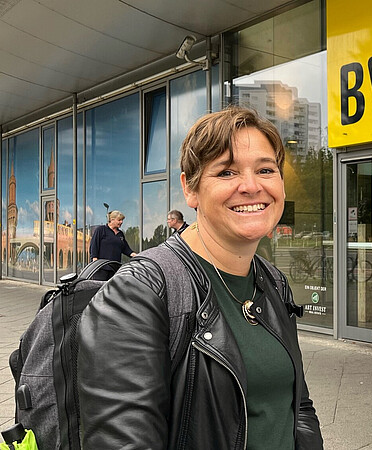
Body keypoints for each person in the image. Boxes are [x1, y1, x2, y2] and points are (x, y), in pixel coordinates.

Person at [77, 106, 323, 448]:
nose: (252, 186)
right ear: (190, 190)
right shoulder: (139, 293)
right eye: (226, 173)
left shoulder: (273, 282)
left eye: (266, 170)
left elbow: (297, 405)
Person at [88, 210, 137, 279]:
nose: (121, 222)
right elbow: (94, 246)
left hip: (114, 269)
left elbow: (126, 249)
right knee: (99, 288)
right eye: (119, 220)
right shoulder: (101, 230)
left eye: (122, 220)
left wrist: (136, 256)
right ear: (112, 220)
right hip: (101, 268)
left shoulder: (120, 234)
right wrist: (95, 262)